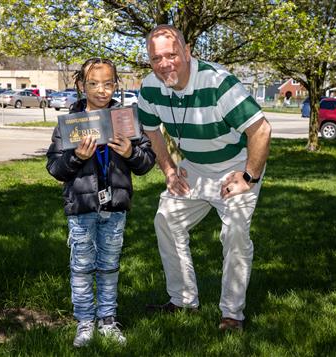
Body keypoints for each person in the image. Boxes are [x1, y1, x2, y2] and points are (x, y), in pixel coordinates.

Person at [137, 25, 271, 332]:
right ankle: (183, 299)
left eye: (172, 54)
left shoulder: (217, 83)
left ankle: (232, 314)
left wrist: (248, 176)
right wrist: (170, 170)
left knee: (236, 233)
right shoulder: (149, 88)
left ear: (187, 52)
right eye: (157, 58)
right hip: (193, 167)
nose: (165, 63)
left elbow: (261, 129)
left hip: (235, 167)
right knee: (166, 220)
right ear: (150, 61)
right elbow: (151, 131)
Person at [46, 57, 156, 347]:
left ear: (116, 85)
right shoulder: (70, 125)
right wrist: (76, 157)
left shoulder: (126, 121)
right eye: (94, 83)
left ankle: (107, 319)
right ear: (82, 85)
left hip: (115, 206)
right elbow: (55, 168)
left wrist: (131, 151)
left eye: (108, 84)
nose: (102, 90)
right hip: (81, 209)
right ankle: (84, 321)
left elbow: (146, 163)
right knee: (82, 266)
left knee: (109, 265)